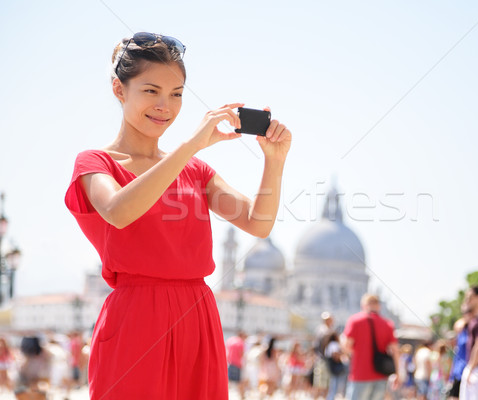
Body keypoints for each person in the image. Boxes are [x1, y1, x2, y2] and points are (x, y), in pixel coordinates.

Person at [65, 32, 292, 399]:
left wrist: (275, 160)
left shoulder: (194, 169)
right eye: (151, 91)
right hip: (136, 319)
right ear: (119, 90)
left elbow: (258, 222)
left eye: (177, 94)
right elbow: (119, 211)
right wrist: (191, 146)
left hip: (198, 318)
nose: (165, 106)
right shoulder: (96, 163)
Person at [342, 294, 400, 400]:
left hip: (360, 374)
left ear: (364, 305)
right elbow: (395, 351)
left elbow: (346, 346)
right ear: (379, 306)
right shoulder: (388, 324)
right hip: (381, 374)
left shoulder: (355, 321)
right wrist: (397, 373)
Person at [226, 330, 247, 399]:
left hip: (229, 362)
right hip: (237, 363)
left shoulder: (230, 340)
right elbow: (241, 354)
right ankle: (242, 396)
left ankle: (225, 394)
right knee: (239, 381)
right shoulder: (240, 342)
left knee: (228, 380)